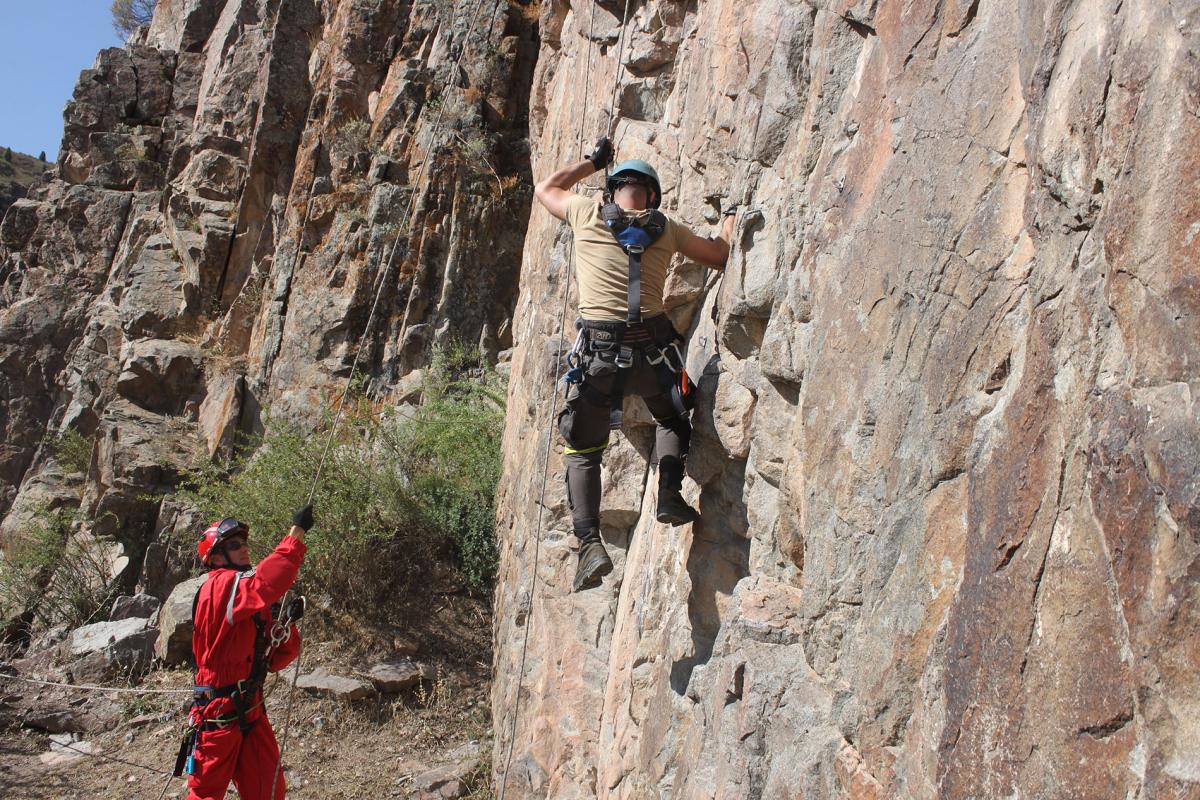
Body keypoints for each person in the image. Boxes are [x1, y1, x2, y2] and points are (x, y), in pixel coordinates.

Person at [534, 137, 736, 591]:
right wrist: (728, 222)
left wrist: (591, 161)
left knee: (583, 449)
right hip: (650, 356)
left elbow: (545, 187)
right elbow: (720, 257)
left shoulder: (585, 212)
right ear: (652, 196)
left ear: (612, 192)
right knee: (672, 417)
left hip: (597, 360)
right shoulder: (667, 229)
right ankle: (668, 492)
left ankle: (588, 543)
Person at [181, 505, 314, 800]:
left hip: (250, 710)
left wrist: (285, 623)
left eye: (243, 544)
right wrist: (297, 533)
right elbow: (268, 579)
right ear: (215, 557)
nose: (243, 549)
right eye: (233, 545)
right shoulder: (218, 588)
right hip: (217, 714)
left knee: (267, 790)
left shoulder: (245, 599)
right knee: (206, 795)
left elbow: (278, 659)